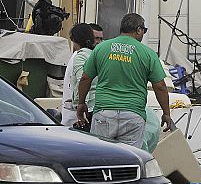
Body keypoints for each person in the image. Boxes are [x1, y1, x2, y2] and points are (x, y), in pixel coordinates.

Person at [76, 13, 173, 148]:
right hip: (133, 114)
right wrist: (166, 113)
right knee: (129, 160)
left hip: (104, 112)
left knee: (100, 158)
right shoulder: (148, 53)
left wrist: (81, 103)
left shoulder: (101, 48)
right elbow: (161, 86)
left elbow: (86, 78)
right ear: (139, 29)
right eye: (144, 30)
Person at [61, 23, 97, 127]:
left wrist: (80, 104)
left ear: (74, 39)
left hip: (87, 109)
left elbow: (83, 80)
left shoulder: (80, 56)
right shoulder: (95, 54)